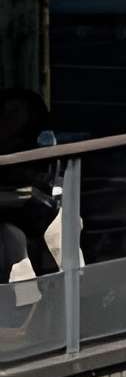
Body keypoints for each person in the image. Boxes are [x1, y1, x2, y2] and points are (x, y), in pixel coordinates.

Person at [0, 88, 57, 281]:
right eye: (5, 113)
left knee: (13, 236)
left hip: (23, 222)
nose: (7, 119)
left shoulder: (35, 155)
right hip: (10, 219)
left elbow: (41, 194)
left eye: (14, 113)